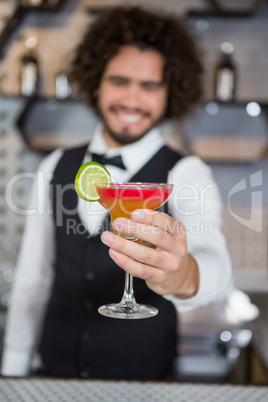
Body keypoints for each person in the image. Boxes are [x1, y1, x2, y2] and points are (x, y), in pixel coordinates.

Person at [1, 6, 232, 379]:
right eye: (119, 80)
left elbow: (217, 265)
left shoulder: (186, 173)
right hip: (53, 377)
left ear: (170, 91)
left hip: (141, 382)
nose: (132, 99)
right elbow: (33, 278)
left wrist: (183, 275)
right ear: (96, 83)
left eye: (150, 85)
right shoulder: (56, 165)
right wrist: (13, 372)